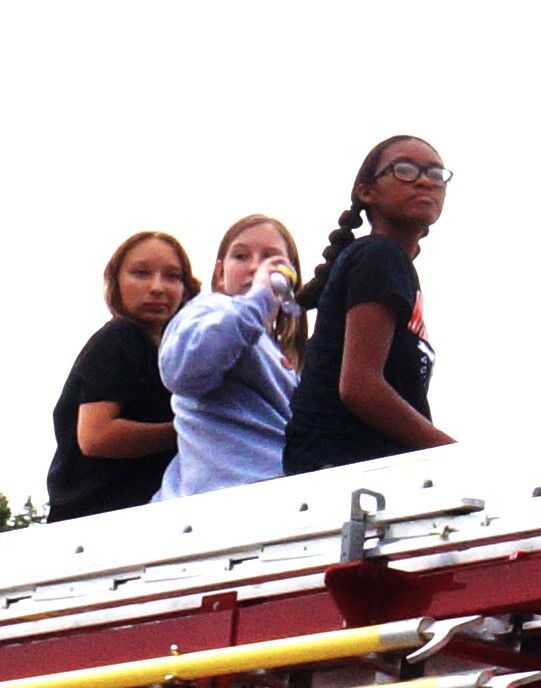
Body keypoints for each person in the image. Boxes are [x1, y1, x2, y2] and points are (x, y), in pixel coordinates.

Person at [283, 135, 453, 474]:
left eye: (436, 174)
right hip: (340, 473)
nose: (424, 180)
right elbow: (360, 387)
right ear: (367, 192)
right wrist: (451, 454)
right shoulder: (378, 255)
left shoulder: (392, 265)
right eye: (405, 169)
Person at [46, 232, 200, 521]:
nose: (157, 287)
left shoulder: (174, 355)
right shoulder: (119, 338)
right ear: (115, 282)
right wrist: (188, 430)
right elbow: (95, 436)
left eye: (172, 276)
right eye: (141, 273)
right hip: (95, 525)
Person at [153, 215, 306, 499]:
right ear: (220, 275)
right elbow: (182, 369)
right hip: (227, 500)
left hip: (282, 496)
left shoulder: (280, 354)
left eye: (271, 258)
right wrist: (258, 301)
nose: (254, 267)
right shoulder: (209, 309)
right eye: (240, 255)